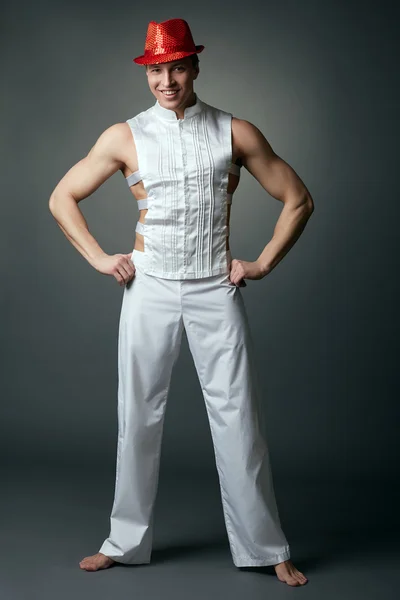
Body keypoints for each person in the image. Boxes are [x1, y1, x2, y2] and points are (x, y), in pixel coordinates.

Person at [49, 18, 313, 587]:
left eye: (177, 68)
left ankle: (268, 547)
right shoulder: (125, 135)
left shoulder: (235, 131)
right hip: (150, 286)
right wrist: (100, 258)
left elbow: (298, 198)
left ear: (195, 66)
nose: (167, 81)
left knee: (239, 418)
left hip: (215, 288)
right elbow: (62, 196)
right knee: (137, 414)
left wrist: (261, 263)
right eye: (156, 71)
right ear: (147, 72)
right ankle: (124, 541)